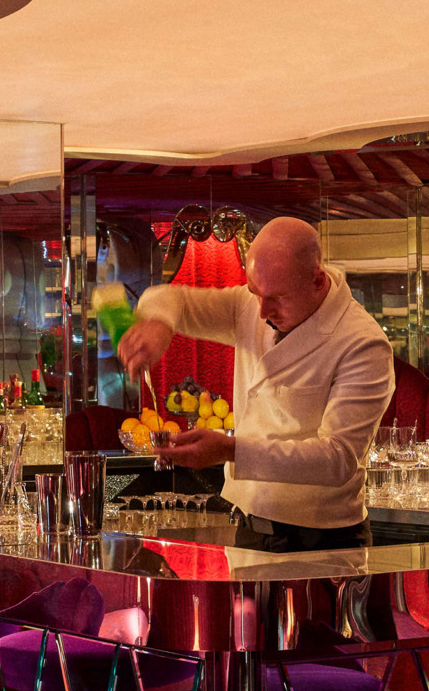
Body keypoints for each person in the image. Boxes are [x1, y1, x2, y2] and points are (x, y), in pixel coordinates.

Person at [117, 217, 394, 552]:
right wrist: (160, 324)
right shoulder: (253, 305)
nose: (262, 311)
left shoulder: (362, 343)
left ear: (318, 281)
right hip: (248, 528)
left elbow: (337, 459)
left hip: (323, 540)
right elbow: (172, 298)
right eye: (254, 292)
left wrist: (230, 450)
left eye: (276, 297)